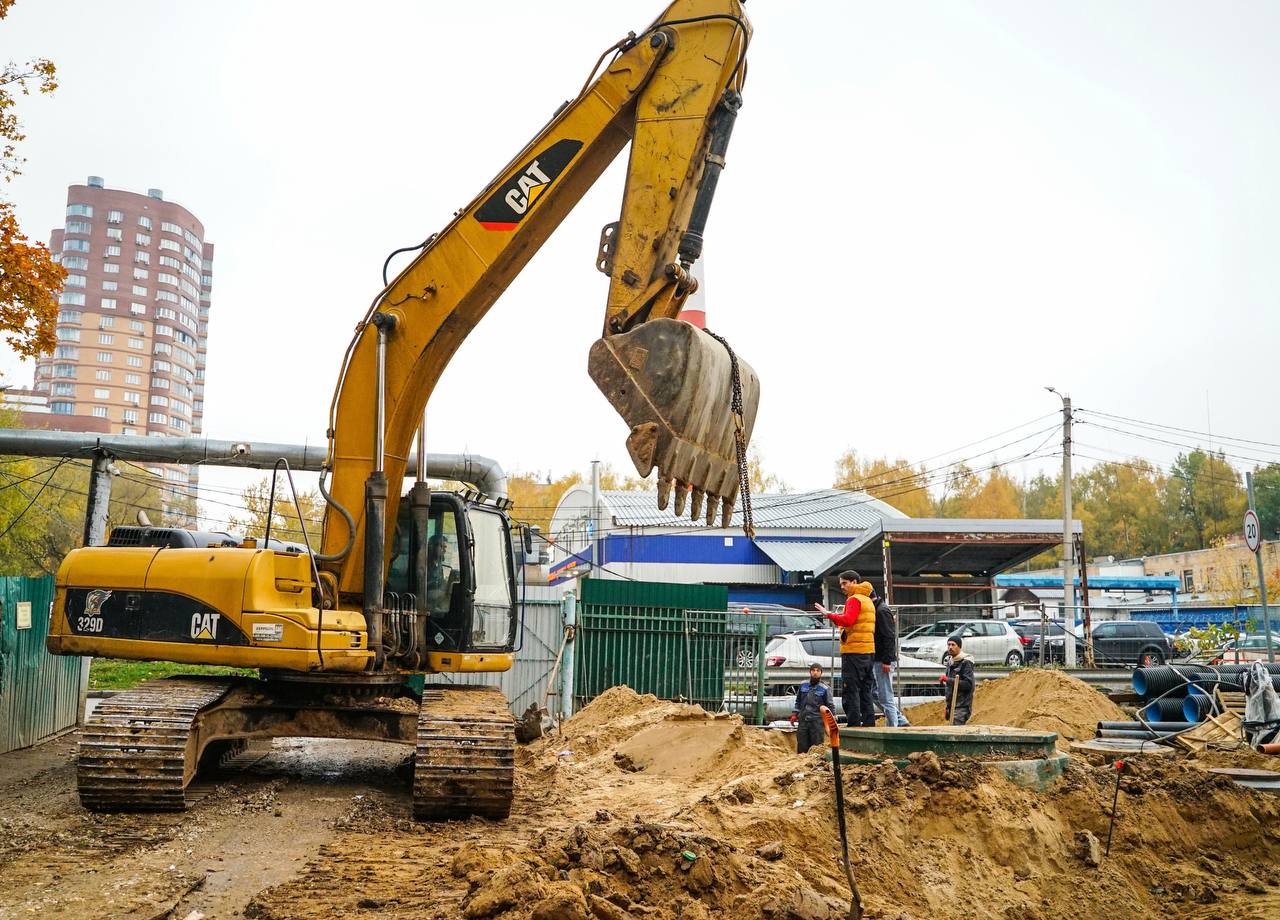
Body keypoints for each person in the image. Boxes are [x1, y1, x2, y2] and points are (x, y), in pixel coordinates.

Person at [817, 570, 876, 728]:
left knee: (851, 689)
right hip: (868, 651)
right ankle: (869, 723)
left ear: (854, 582)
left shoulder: (854, 599)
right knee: (865, 689)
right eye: (841, 583)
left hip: (854, 651)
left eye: (845, 583)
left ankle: (854, 724)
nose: (842, 587)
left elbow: (848, 620)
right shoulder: (868, 600)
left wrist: (829, 614)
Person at [870, 588, 910, 727]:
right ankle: (900, 721)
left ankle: (893, 728)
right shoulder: (879, 610)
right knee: (875, 693)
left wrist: (887, 660)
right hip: (880, 659)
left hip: (883, 660)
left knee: (885, 697)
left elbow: (888, 637)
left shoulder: (881, 611)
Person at [790, 663, 834, 754]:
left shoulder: (825, 689)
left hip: (817, 723)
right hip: (803, 721)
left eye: (818, 671)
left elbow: (830, 706)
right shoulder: (803, 685)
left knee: (816, 748)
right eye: (813, 670)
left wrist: (831, 722)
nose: (815, 673)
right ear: (810, 672)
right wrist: (794, 714)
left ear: (821, 673)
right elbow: (798, 701)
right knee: (802, 747)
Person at [941, 636, 976, 725]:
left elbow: (968, 685)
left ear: (959, 647)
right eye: (948, 645)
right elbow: (950, 689)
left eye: (953, 645)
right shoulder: (950, 662)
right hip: (952, 706)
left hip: (961, 707)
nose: (950, 647)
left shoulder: (966, 663)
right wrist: (948, 707)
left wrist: (948, 680)